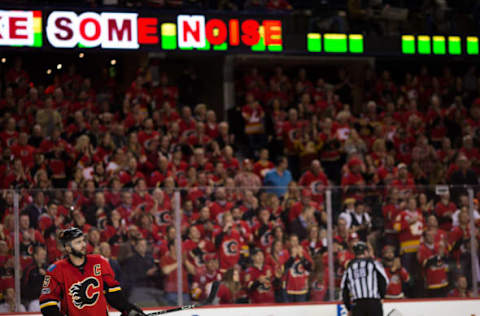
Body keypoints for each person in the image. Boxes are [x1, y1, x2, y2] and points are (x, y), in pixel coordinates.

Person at [39, 227, 146, 316]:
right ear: (68, 248)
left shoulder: (99, 262)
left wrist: (128, 308)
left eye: (83, 241)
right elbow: (47, 304)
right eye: (78, 242)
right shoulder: (56, 270)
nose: (83, 245)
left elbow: (113, 294)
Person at [341, 242, 388, 316]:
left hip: (357, 305)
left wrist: (349, 308)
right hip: (373, 303)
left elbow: (344, 289)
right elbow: (383, 280)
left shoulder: (349, 268)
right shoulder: (374, 264)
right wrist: (382, 296)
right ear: (366, 252)